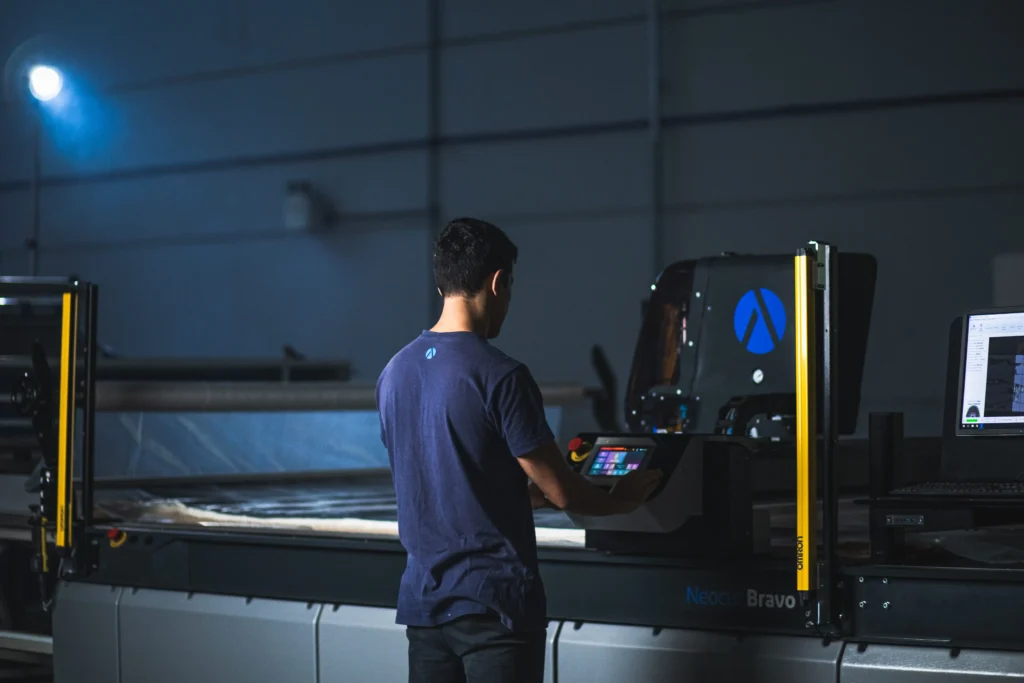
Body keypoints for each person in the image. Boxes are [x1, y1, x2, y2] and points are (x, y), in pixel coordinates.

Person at [376, 217, 663, 683]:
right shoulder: (501, 376)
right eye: (509, 287)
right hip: (495, 612)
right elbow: (566, 493)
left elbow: (444, 478)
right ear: (496, 282)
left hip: (424, 609)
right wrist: (623, 498)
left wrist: (525, 493)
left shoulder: (393, 373)